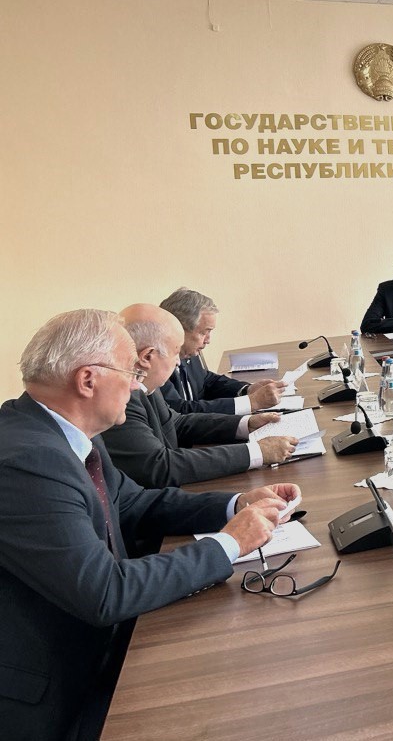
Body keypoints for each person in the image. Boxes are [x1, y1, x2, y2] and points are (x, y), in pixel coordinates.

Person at [0, 309, 298, 741]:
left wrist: (235, 503)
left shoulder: (62, 432)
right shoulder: (28, 460)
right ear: (88, 380)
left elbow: (134, 502)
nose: (138, 385)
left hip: (104, 649)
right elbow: (105, 591)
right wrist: (229, 544)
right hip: (58, 695)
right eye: (131, 372)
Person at [105, 304, 297, 488]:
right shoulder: (122, 399)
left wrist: (247, 424)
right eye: (175, 353)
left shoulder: (146, 386)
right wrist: (256, 452)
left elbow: (177, 423)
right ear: (147, 357)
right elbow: (160, 466)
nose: (178, 362)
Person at [159, 287, 285, 415]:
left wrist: (247, 390)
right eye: (204, 332)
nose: (208, 340)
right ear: (179, 328)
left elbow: (206, 380)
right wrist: (251, 402)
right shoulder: (157, 364)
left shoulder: (189, 353)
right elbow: (180, 411)